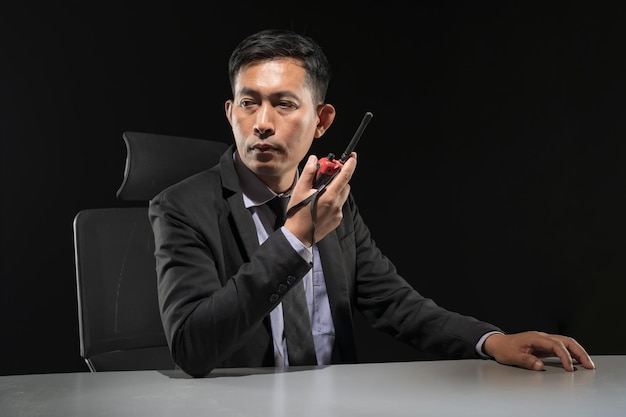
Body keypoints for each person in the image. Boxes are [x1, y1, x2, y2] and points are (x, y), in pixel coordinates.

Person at [148, 28, 595, 378]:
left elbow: (395, 304)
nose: (261, 124)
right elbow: (192, 348)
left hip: (339, 402)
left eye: (284, 104)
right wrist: (295, 238)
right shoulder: (181, 208)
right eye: (249, 103)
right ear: (230, 112)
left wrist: (491, 340)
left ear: (321, 121)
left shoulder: (332, 198)